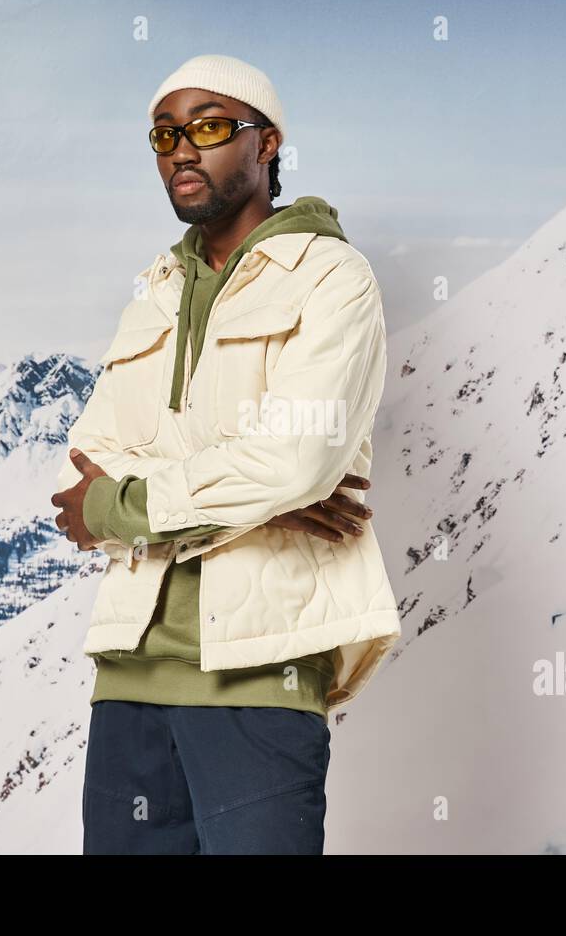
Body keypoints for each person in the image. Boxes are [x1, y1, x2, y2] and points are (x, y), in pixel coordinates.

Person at [51, 54, 400, 854]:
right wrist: (265, 491)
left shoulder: (334, 279)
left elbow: (297, 455)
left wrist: (131, 501)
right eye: (166, 133)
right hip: (129, 674)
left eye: (209, 127)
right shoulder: (154, 293)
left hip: (261, 671)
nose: (182, 149)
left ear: (267, 143)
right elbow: (76, 474)